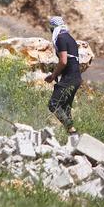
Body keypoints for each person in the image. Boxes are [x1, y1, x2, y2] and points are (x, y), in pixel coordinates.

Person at [44, 16, 82, 145]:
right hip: (76, 77)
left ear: (53, 28)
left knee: (53, 104)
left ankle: (72, 131)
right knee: (65, 108)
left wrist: (53, 75)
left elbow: (63, 61)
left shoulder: (60, 38)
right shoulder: (70, 38)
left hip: (70, 77)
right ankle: (74, 143)